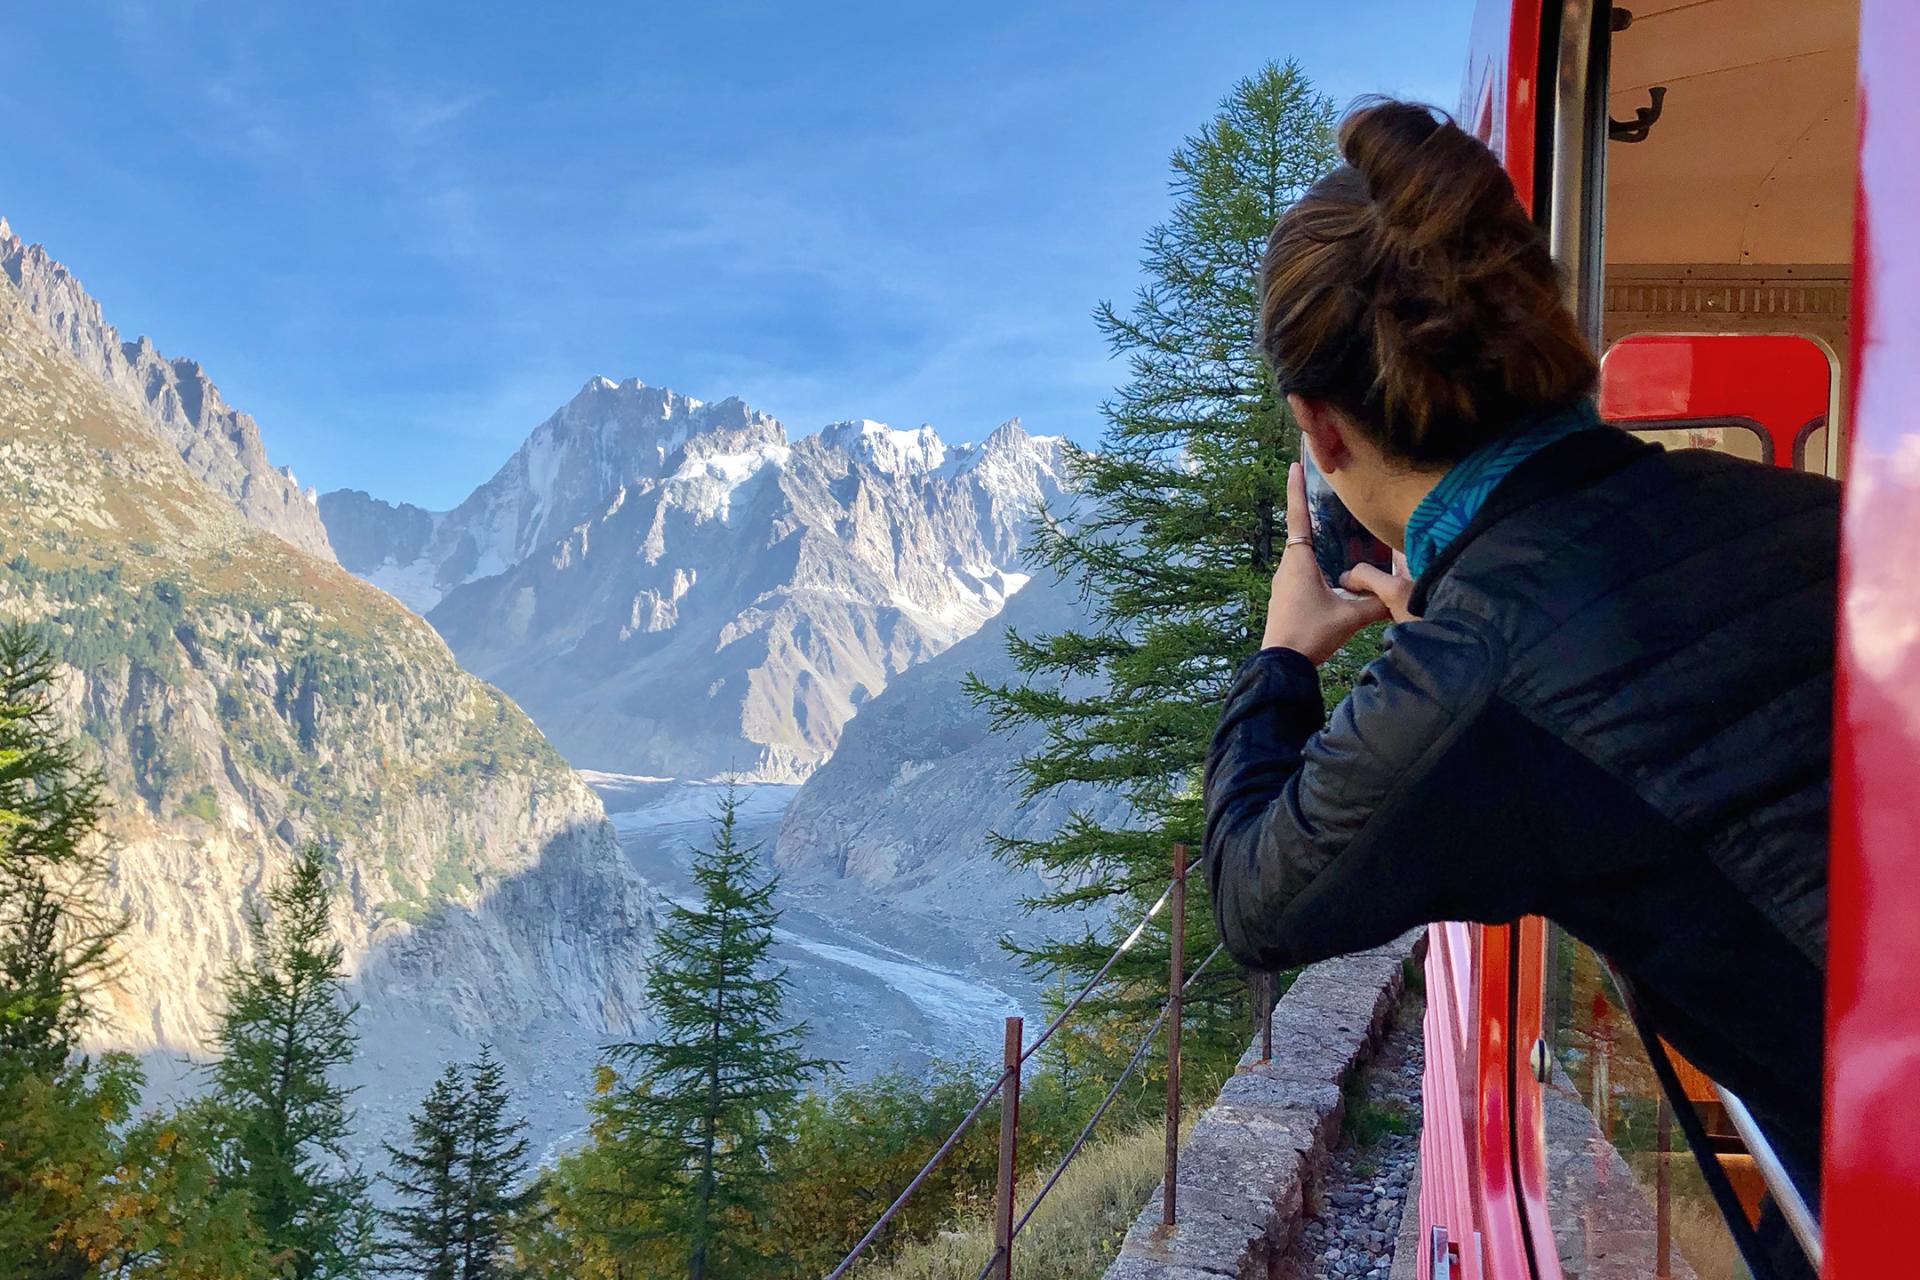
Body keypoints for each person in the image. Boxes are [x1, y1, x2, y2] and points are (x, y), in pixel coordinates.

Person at [1202, 98, 1835, 1255]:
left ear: (1318, 428)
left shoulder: (1474, 673)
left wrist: (1286, 655)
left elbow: (1255, 894)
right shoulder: (1810, 511)